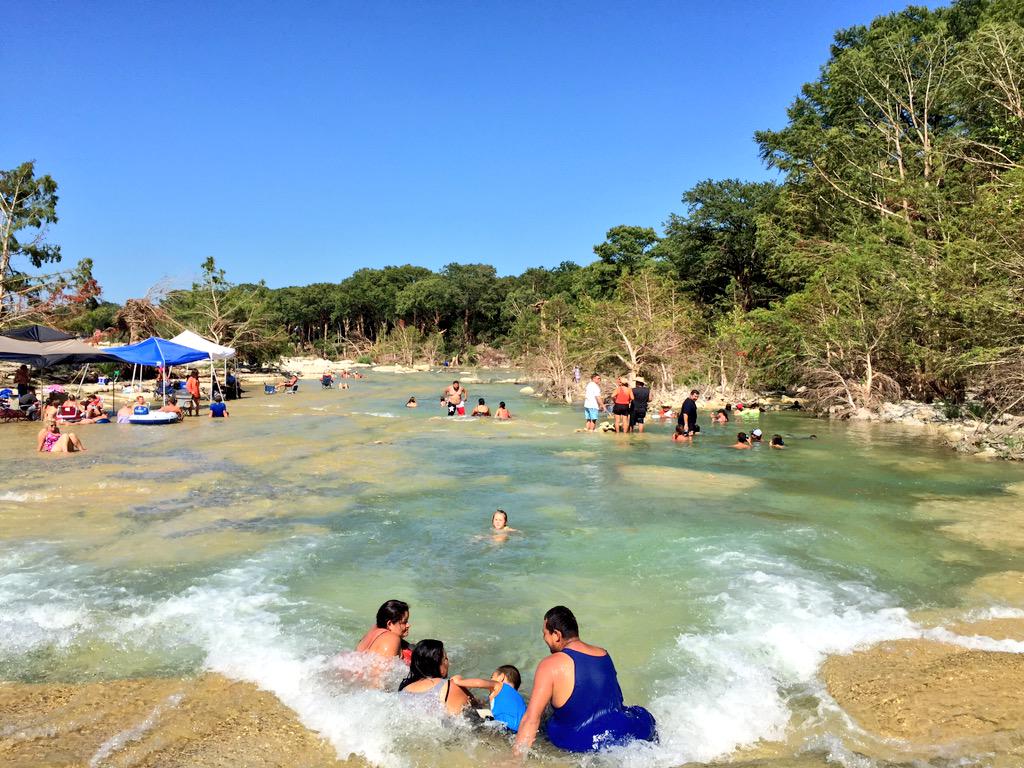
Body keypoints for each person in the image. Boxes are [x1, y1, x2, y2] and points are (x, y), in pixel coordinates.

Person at [515, 606, 656, 754]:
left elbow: (531, 720)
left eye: (545, 634)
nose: (544, 639)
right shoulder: (603, 653)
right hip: (628, 730)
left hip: (584, 743)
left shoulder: (549, 664)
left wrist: (514, 760)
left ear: (556, 634)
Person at [398, 639, 474, 716]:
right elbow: (480, 714)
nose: (449, 663)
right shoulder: (450, 687)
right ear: (438, 664)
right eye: (445, 659)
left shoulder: (403, 689)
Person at [451, 665, 527, 732]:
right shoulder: (518, 698)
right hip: (520, 730)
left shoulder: (499, 685)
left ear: (501, 677)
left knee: (472, 712)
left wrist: (459, 681)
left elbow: (479, 683)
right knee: (484, 712)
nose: (490, 680)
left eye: (492, 677)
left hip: (503, 727)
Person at [356, 599, 412, 664]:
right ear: (390, 624)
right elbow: (382, 674)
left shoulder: (372, 632)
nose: (408, 625)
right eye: (404, 622)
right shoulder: (392, 639)